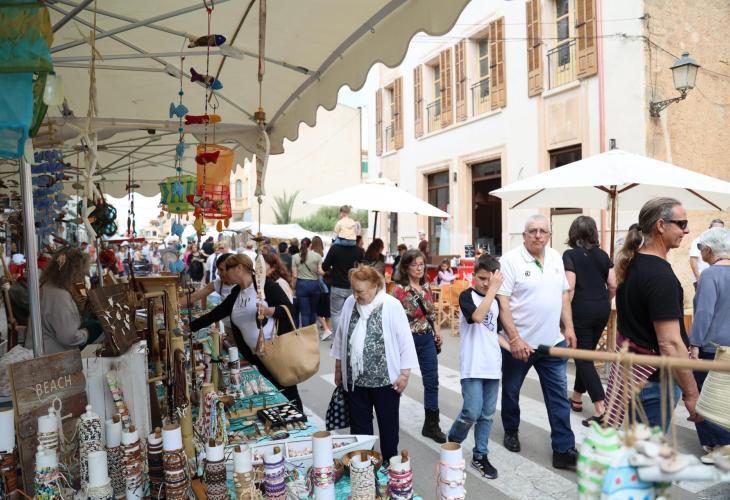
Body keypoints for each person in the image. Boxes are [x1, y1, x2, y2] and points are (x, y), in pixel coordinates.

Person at [497, 214, 578, 470]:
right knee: (511, 391)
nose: (538, 235)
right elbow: (503, 303)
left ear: (549, 235)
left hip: (552, 343)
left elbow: (564, 295)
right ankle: (511, 429)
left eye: (543, 231)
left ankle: (563, 449)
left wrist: (569, 327)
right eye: (532, 231)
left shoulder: (555, 257)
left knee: (559, 398)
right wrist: (514, 339)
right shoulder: (510, 260)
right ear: (524, 235)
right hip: (520, 345)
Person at [615, 197, 701, 429]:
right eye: (682, 224)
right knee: (645, 450)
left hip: (637, 377)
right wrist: (692, 393)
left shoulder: (634, 262)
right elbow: (669, 343)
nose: (687, 230)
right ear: (661, 225)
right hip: (653, 382)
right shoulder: (659, 277)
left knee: (637, 446)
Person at [190, 254, 302, 408]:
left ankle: (299, 418)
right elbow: (216, 313)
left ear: (239, 268)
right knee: (272, 393)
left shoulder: (265, 285)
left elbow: (289, 309)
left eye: (226, 269)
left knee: (287, 390)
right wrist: (189, 327)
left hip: (275, 351)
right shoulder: (237, 291)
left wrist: (267, 311)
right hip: (256, 355)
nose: (222, 274)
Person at [331, 265, 418, 462]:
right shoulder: (350, 303)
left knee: (388, 427)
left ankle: (389, 463)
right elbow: (341, 336)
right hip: (355, 380)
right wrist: (338, 369)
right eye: (353, 289)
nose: (355, 295)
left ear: (375, 287)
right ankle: (364, 465)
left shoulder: (391, 305)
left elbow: (405, 340)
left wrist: (404, 374)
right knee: (360, 430)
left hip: (386, 382)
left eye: (360, 291)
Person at [448, 255, 503, 479]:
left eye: (490, 279)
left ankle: (480, 455)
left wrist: (516, 347)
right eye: (482, 278)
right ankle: (453, 440)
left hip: (492, 365)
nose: (486, 283)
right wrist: (493, 290)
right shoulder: (467, 296)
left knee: (487, 415)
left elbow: (494, 333)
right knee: (471, 411)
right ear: (473, 276)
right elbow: (478, 317)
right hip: (472, 365)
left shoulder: (496, 302)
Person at [563, 216, 617, 427]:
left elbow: (570, 288)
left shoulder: (570, 255)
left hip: (581, 311)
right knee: (586, 353)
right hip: (602, 309)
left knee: (583, 357)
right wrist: (605, 301)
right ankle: (577, 398)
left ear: (573, 233)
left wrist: (564, 316)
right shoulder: (603, 255)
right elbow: (613, 285)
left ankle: (602, 409)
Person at [392, 249, 446, 443]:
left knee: (432, 382)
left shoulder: (426, 287)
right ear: (406, 267)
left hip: (426, 340)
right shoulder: (398, 291)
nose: (419, 268)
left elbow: (431, 314)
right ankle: (390, 420)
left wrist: (437, 332)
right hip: (406, 341)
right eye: (414, 265)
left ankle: (431, 425)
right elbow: (391, 320)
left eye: (421, 264)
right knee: (397, 382)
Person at [689, 227, 730, 456]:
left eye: (700, 247)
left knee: (704, 395)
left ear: (708, 249)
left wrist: (694, 343)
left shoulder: (709, 275)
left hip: (712, 347)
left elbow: (704, 313)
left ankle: (719, 443)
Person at [25, 248, 90, 354]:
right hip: (52, 357)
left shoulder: (48, 287)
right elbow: (69, 337)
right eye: (82, 273)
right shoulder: (59, 296)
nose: (84, 277)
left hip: (42, 352)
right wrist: (86, 333)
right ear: (73, 273)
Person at [323, 236, 364, 335]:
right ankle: (350, 338)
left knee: (336, 314)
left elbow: (324, 266)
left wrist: (334, 269)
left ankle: (339, 339)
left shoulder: (334, 248)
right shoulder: (358, 250)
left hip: (337, 286)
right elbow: (363, 268)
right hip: (353, 287)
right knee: (353, 313)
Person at [292, 237, 324, 328]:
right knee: (313, 311)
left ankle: (305, 333)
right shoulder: (317, 256)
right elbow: (320, 272)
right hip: (314, 285)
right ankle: (312, 331)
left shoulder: (295, 257)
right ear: (310, 245)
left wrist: (293, 288)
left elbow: (294, 275)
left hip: (301, 285)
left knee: (304, 313)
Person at [689, 219, 724, 289]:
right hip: (702, 278)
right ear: (709, 229)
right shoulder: (699, 241)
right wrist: (699, 279)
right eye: (715, 229)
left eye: (720, 230)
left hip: (716, 280)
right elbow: (693, 260)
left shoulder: (721, 243)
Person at [311, 236, 333, 340]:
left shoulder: (312, 256)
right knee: (327, 310)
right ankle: (327, 330)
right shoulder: (325, 255)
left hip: (318, 285)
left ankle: (326, 329)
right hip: (328, 284)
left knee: (316, 310)